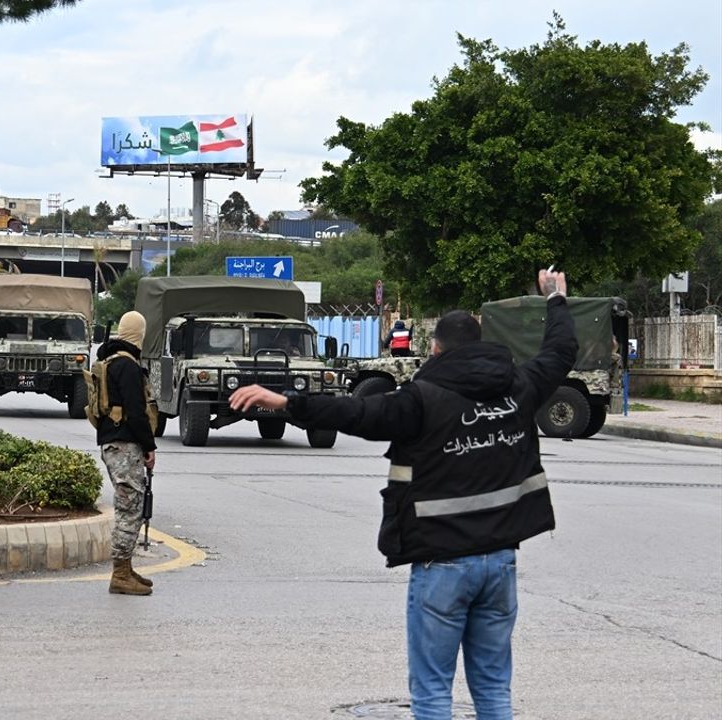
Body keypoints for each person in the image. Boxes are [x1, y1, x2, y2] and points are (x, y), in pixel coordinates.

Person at [229, 268, 576, 720]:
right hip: (501, 562)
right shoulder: (519, 387)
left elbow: (358, 412)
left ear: (435, 349)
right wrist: (556, 299)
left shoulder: (421, 399)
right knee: (493, 689)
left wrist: (284, 402)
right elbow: (560, 350)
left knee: (432, 693)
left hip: (443, 564)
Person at [94, 311, 157, 596]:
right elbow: (136, 412)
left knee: (129, 505)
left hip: (111, 442)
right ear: (138, 333)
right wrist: (149, 446)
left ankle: (126, 568)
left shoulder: (108, 361)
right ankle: (120, 574)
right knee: (129, 508)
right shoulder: (128, 366)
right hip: (125, 445)